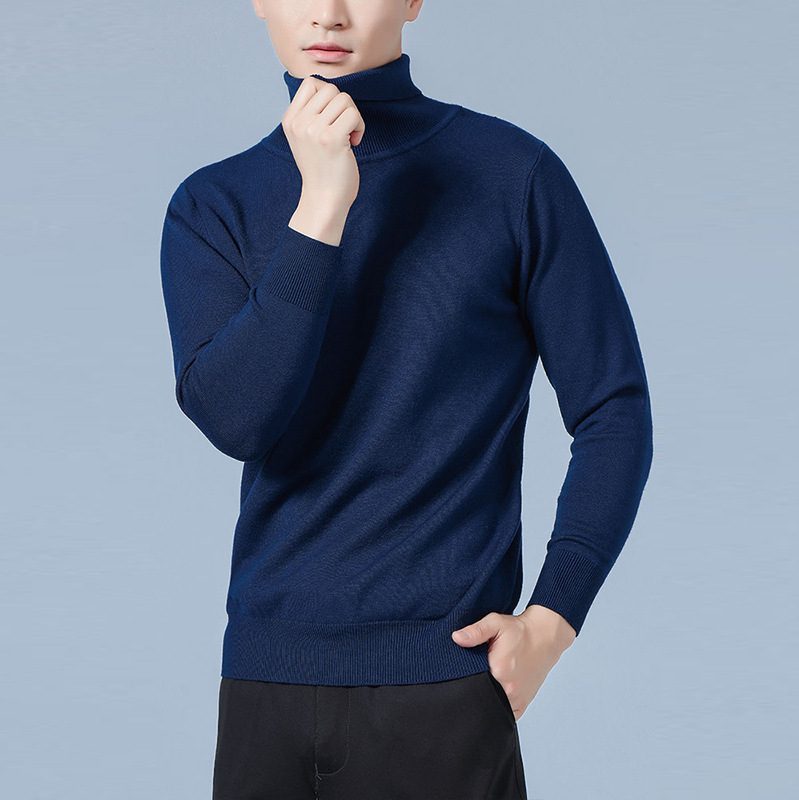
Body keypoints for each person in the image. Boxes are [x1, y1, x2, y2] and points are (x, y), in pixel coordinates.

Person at [159, 1, 653, 797]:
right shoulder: (213, 204)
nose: (328, 13)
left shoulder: (512, 175)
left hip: (441, 689)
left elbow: (614, 409)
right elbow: (238, 419)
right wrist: (323, 207)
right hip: (263, 688)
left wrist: (554, 619)